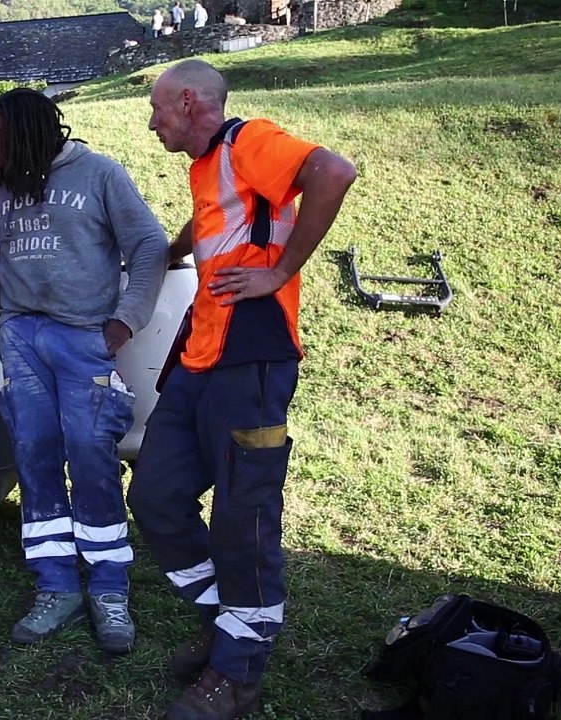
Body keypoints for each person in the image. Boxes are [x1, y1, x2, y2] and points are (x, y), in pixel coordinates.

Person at [132, 60, 356, 720]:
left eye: (158, 111)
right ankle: (225, 621)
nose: (151, 123)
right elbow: (214, 226)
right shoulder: (207, 167)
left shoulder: (248, 140)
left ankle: (238, 674)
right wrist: (172, 250)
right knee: (155, 496)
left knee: (243, 518)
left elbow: (333, 173)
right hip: (199, 363)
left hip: (251, 362)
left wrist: (280, 271)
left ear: (191, 102)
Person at [0, 89, 167, 654]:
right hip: (21, 339)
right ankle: (56, 585)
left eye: (1, 133)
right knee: (35, 454)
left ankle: (107, 588)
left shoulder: (98, 173)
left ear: (31, 133)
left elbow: (149, 243)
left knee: (91, 454)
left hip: (83, 338)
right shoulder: (1, 186)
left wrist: (126, 320)